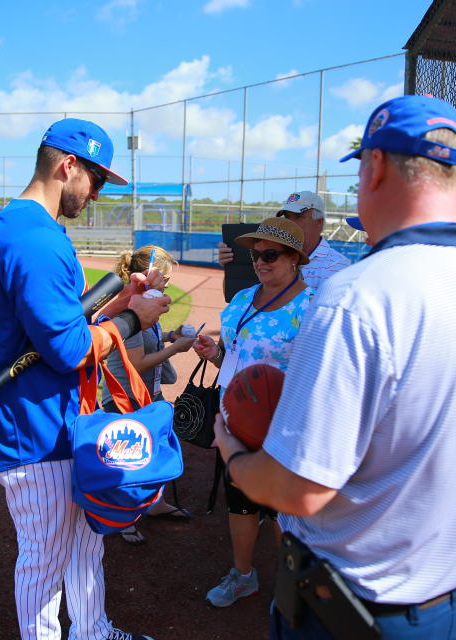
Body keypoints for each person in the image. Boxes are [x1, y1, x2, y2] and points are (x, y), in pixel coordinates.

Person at [213, 95, 456, 639]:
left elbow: (299, 490)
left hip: (356, 611)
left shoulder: (358, 295)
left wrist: (234, 453)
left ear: (377, 167)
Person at [0, 118, 168, 640]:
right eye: (97, 179)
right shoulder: (34, 238)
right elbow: (66, 349)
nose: (98, 193)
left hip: (62, 420)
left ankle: (93, 631)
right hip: (33, 429)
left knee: (84, 541)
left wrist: (121, 303)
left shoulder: (33, 230)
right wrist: (136, 320)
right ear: (68, 166)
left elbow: (63, 325)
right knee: (44, 558)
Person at [192, 217, 313, 608]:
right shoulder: (243, 298)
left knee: (284, 514)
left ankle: (292, 586)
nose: (260, 262)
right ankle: (243, 576)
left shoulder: (311, 308)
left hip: (284, 429)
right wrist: (215, 355)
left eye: (271, 254)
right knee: (240, 503)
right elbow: (236, 359)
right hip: (238, 424)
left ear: (295, 258)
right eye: (255, 254)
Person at [102, 245, 196, 546]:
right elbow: (137, 362)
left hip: (146, 395)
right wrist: (176, 348)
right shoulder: (132, 309)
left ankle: (155, 505)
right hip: (124, 399)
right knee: (129, 463)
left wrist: (170, 335)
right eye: (164, 277)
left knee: (155, 455)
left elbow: (150, 339)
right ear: (148, 275)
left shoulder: (147, 304)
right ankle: (123, 517)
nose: (167, 283)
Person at [217, 191, 351, 288]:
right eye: (287, 217)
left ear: (319, 222)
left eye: (298, 216)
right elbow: (239, 297)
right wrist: (231, 268)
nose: (290, 223)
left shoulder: (339, 267)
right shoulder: (266, 257)